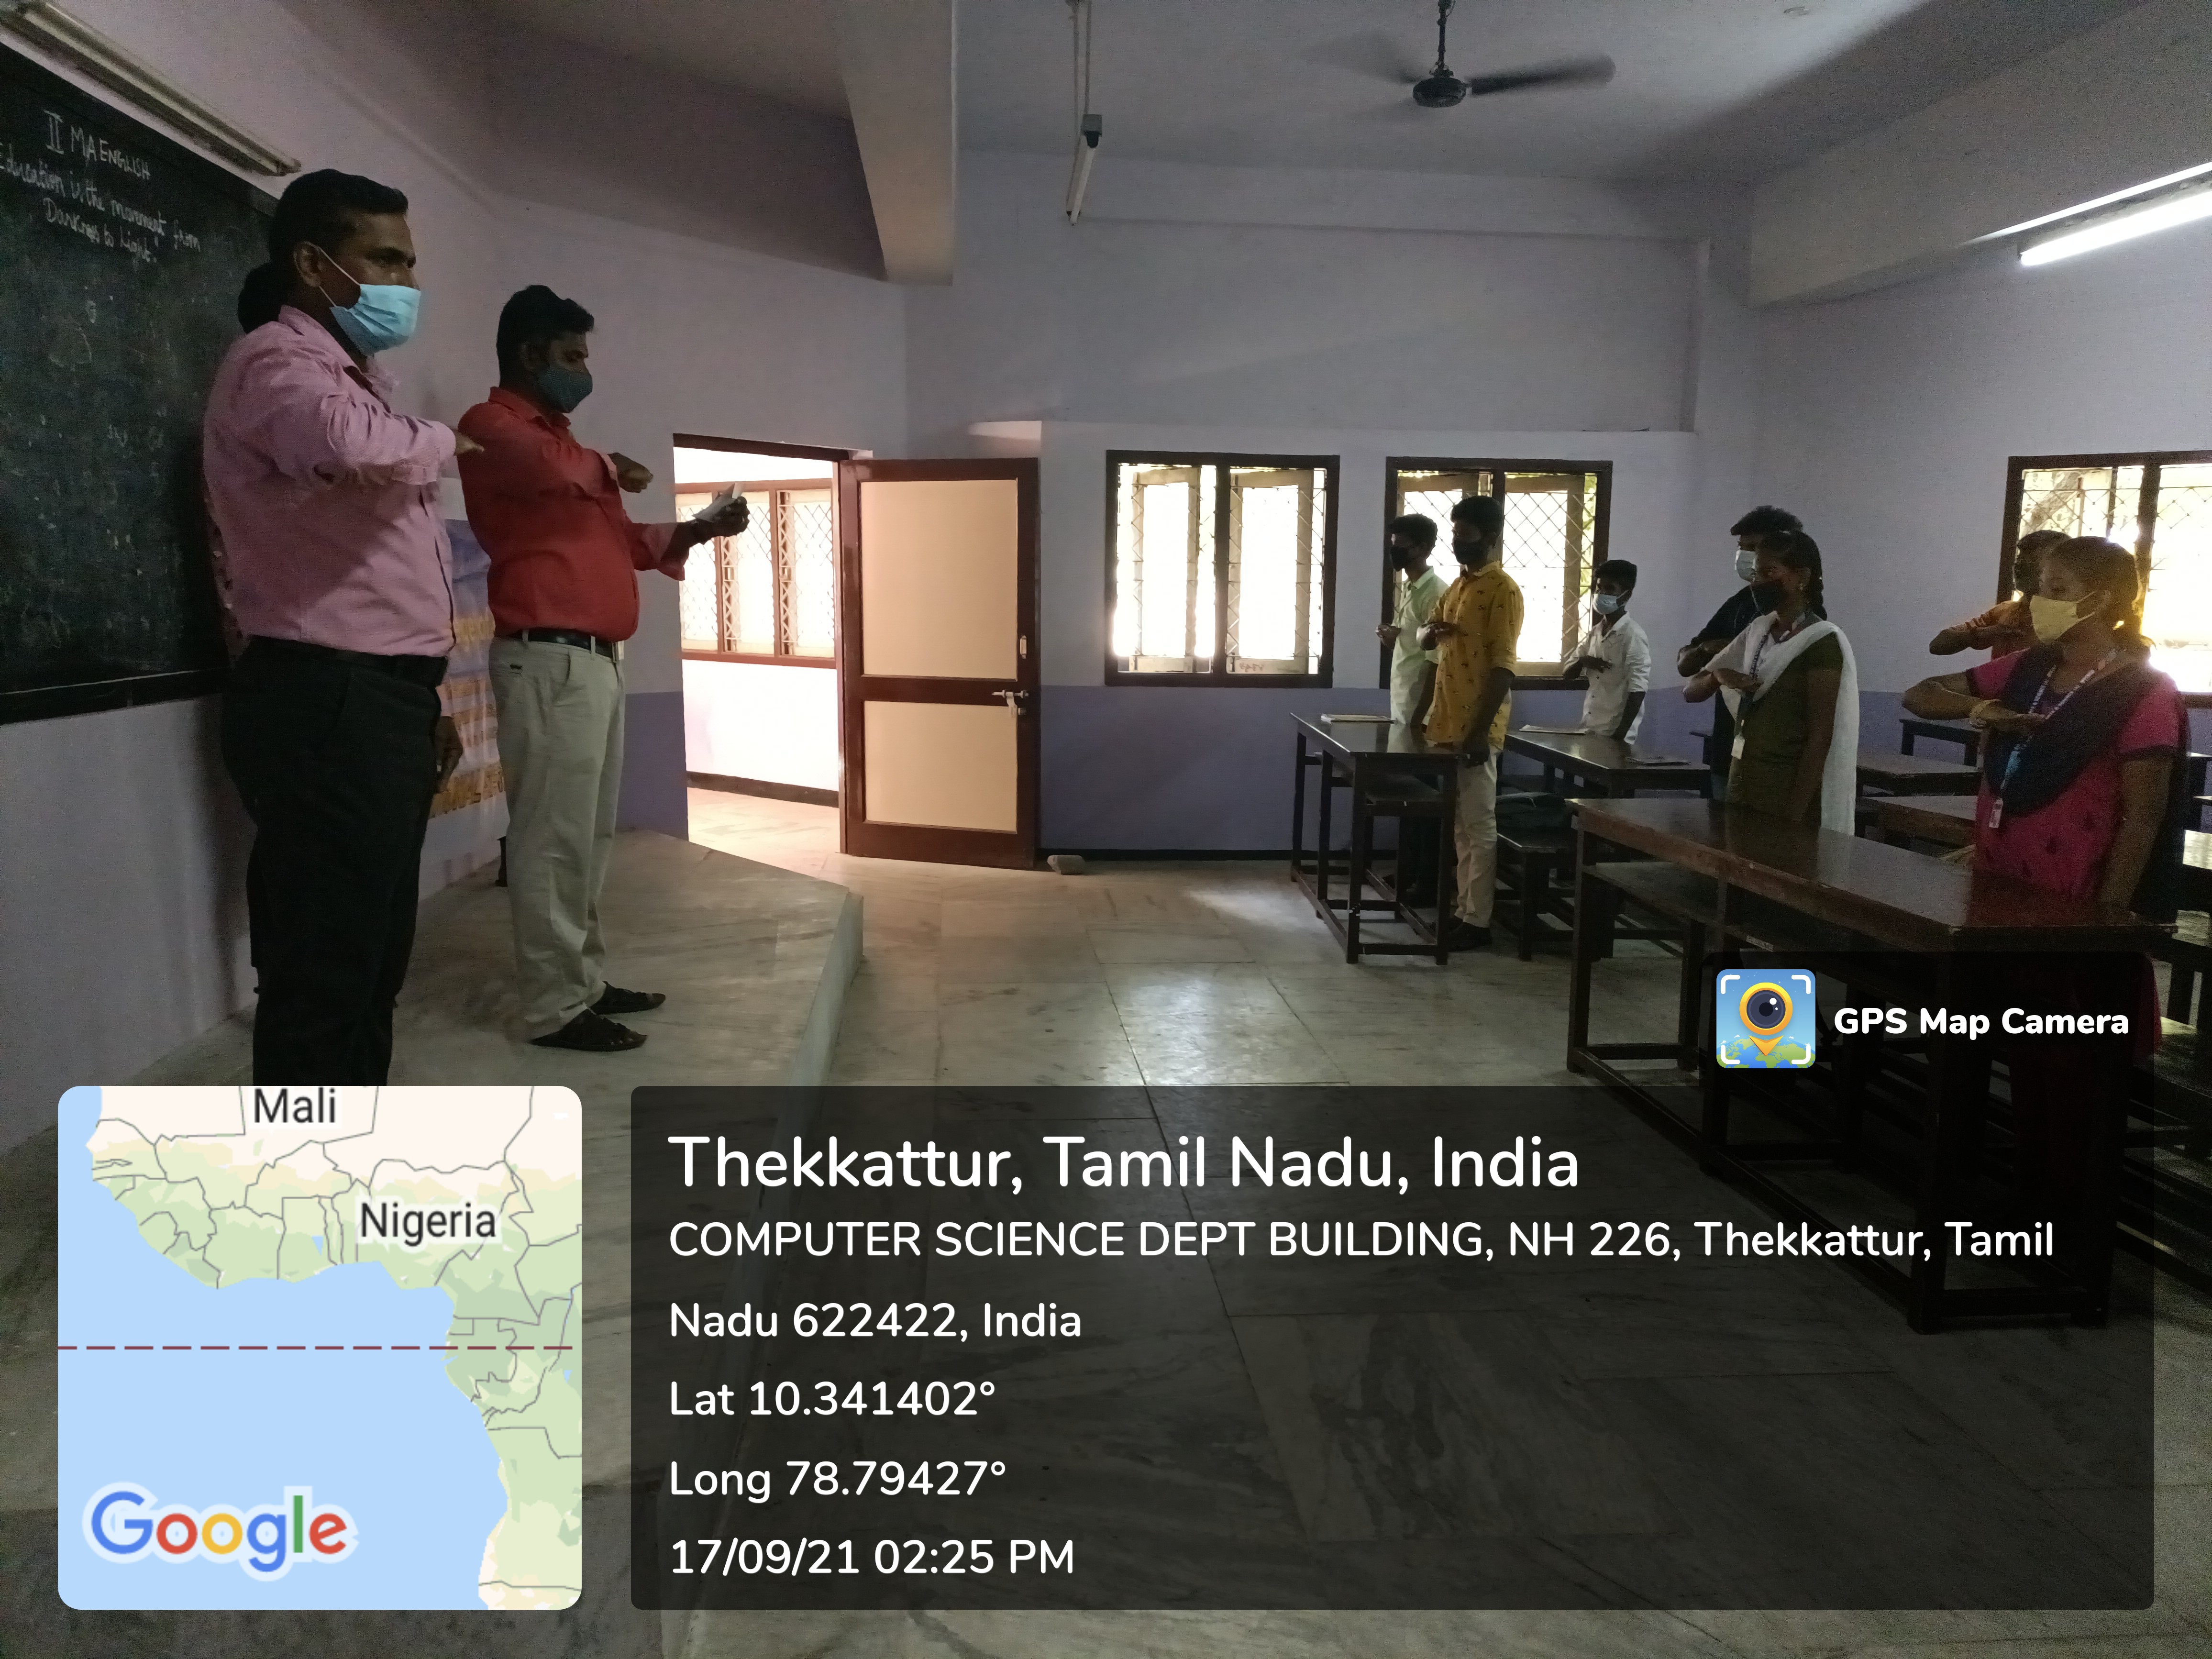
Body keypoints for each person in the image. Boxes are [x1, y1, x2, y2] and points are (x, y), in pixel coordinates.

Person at [205, 169, 476, 1084]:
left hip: (378, 694)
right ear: (315, 265)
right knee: (324, 972)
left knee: (370, 962)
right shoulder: (275, 363)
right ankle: (301, 1171)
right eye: (386, 259)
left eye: (409, 262)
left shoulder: (357, 379)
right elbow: (348, 445)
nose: (407, 283)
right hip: (326, 693)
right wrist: (445, 439)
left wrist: (423, 698)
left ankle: (351, 1153)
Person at [458, 286, 747, 1052]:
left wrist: (699, 528)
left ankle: (581, 980)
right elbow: (551, 465)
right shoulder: (493, 428)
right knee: (552, 840)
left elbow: (626, 542)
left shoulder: (567, 453)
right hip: (548, 661)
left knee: (585, 838)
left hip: (591, 666)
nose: (585, 372)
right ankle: (554, 1007)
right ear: (531, 355)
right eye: (573, 356)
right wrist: (610, 465)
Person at [1901, 536, 2185, 1224]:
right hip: (2007, 879)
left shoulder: (2142, 691)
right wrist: (1981, 711)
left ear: (2101, 601)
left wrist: (2107, 920)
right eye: (2040, 585)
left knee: (2070, 1058)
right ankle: (2029, 1189)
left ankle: (2070, 1209)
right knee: (2024, 1047)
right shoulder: (2029, 669)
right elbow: (1920, 694)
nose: (2038, 600)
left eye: (2056, 588)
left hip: (2074, 893)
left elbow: (2143, 817)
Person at [1683, 531, 1859, 830]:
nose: (1757, 584)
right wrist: (1717, 676)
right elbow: (1691, 691)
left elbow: (1820, 738)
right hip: (1744, 780)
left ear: (1802, 577)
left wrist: (1794, 817)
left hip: (1787, 792)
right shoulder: (1759, 630)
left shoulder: (1821, 641)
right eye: (1755, 574)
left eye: (1769, 573)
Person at [1418, 496, 1522, 950]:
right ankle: (1463, 909)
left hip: (1477, 728)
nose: (1458, 541)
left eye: (1466, 534)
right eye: (1455, 533)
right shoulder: (1458, 586)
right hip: (1446, 722)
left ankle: (1479, 922)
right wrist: (1431, 633)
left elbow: (1503, 667)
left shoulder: (1503, 589)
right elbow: (1425, 635)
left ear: (1491, 537)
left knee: (1479, 825)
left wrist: (1480, 733)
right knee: (1460, 827)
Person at [1675, 506, 1808, 791]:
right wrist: (1709, 651)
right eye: (1742, 548)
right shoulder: (1741, 601)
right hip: (1728, 743)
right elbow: (1687, 669)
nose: (1746, 557)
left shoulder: (1809, 624)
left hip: (1773, 755)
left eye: (1754, 548)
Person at [1928, 528, 2065, 658]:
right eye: (2019, 560)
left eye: (2033, 561)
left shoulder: (2067, 618)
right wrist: (1984, 634)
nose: (2019, 567)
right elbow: (1937, 645)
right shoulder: (2006, 611)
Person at [1560, 559, 1650, 741]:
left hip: (1615, 731)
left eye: (1609, 589)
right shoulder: (1596, 632)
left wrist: (1619, 737)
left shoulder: (1633, 635)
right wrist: (1584, 661)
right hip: (1590, 726)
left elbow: (1638, 691)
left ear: (1626, 596)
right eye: (1599, 588)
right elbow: (1568, 673)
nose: (1601, 594)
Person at [1378, 513, 1446, 727]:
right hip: (1403, 703)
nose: (1394, 551)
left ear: (1422, 549)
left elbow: (1436, 661)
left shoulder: (1435, 594)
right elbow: (1412, 642)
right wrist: (1393, 639)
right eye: (1393, 544)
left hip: (1421, 712)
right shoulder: (1410, 587)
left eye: (1400, 545)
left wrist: (1419, 718)